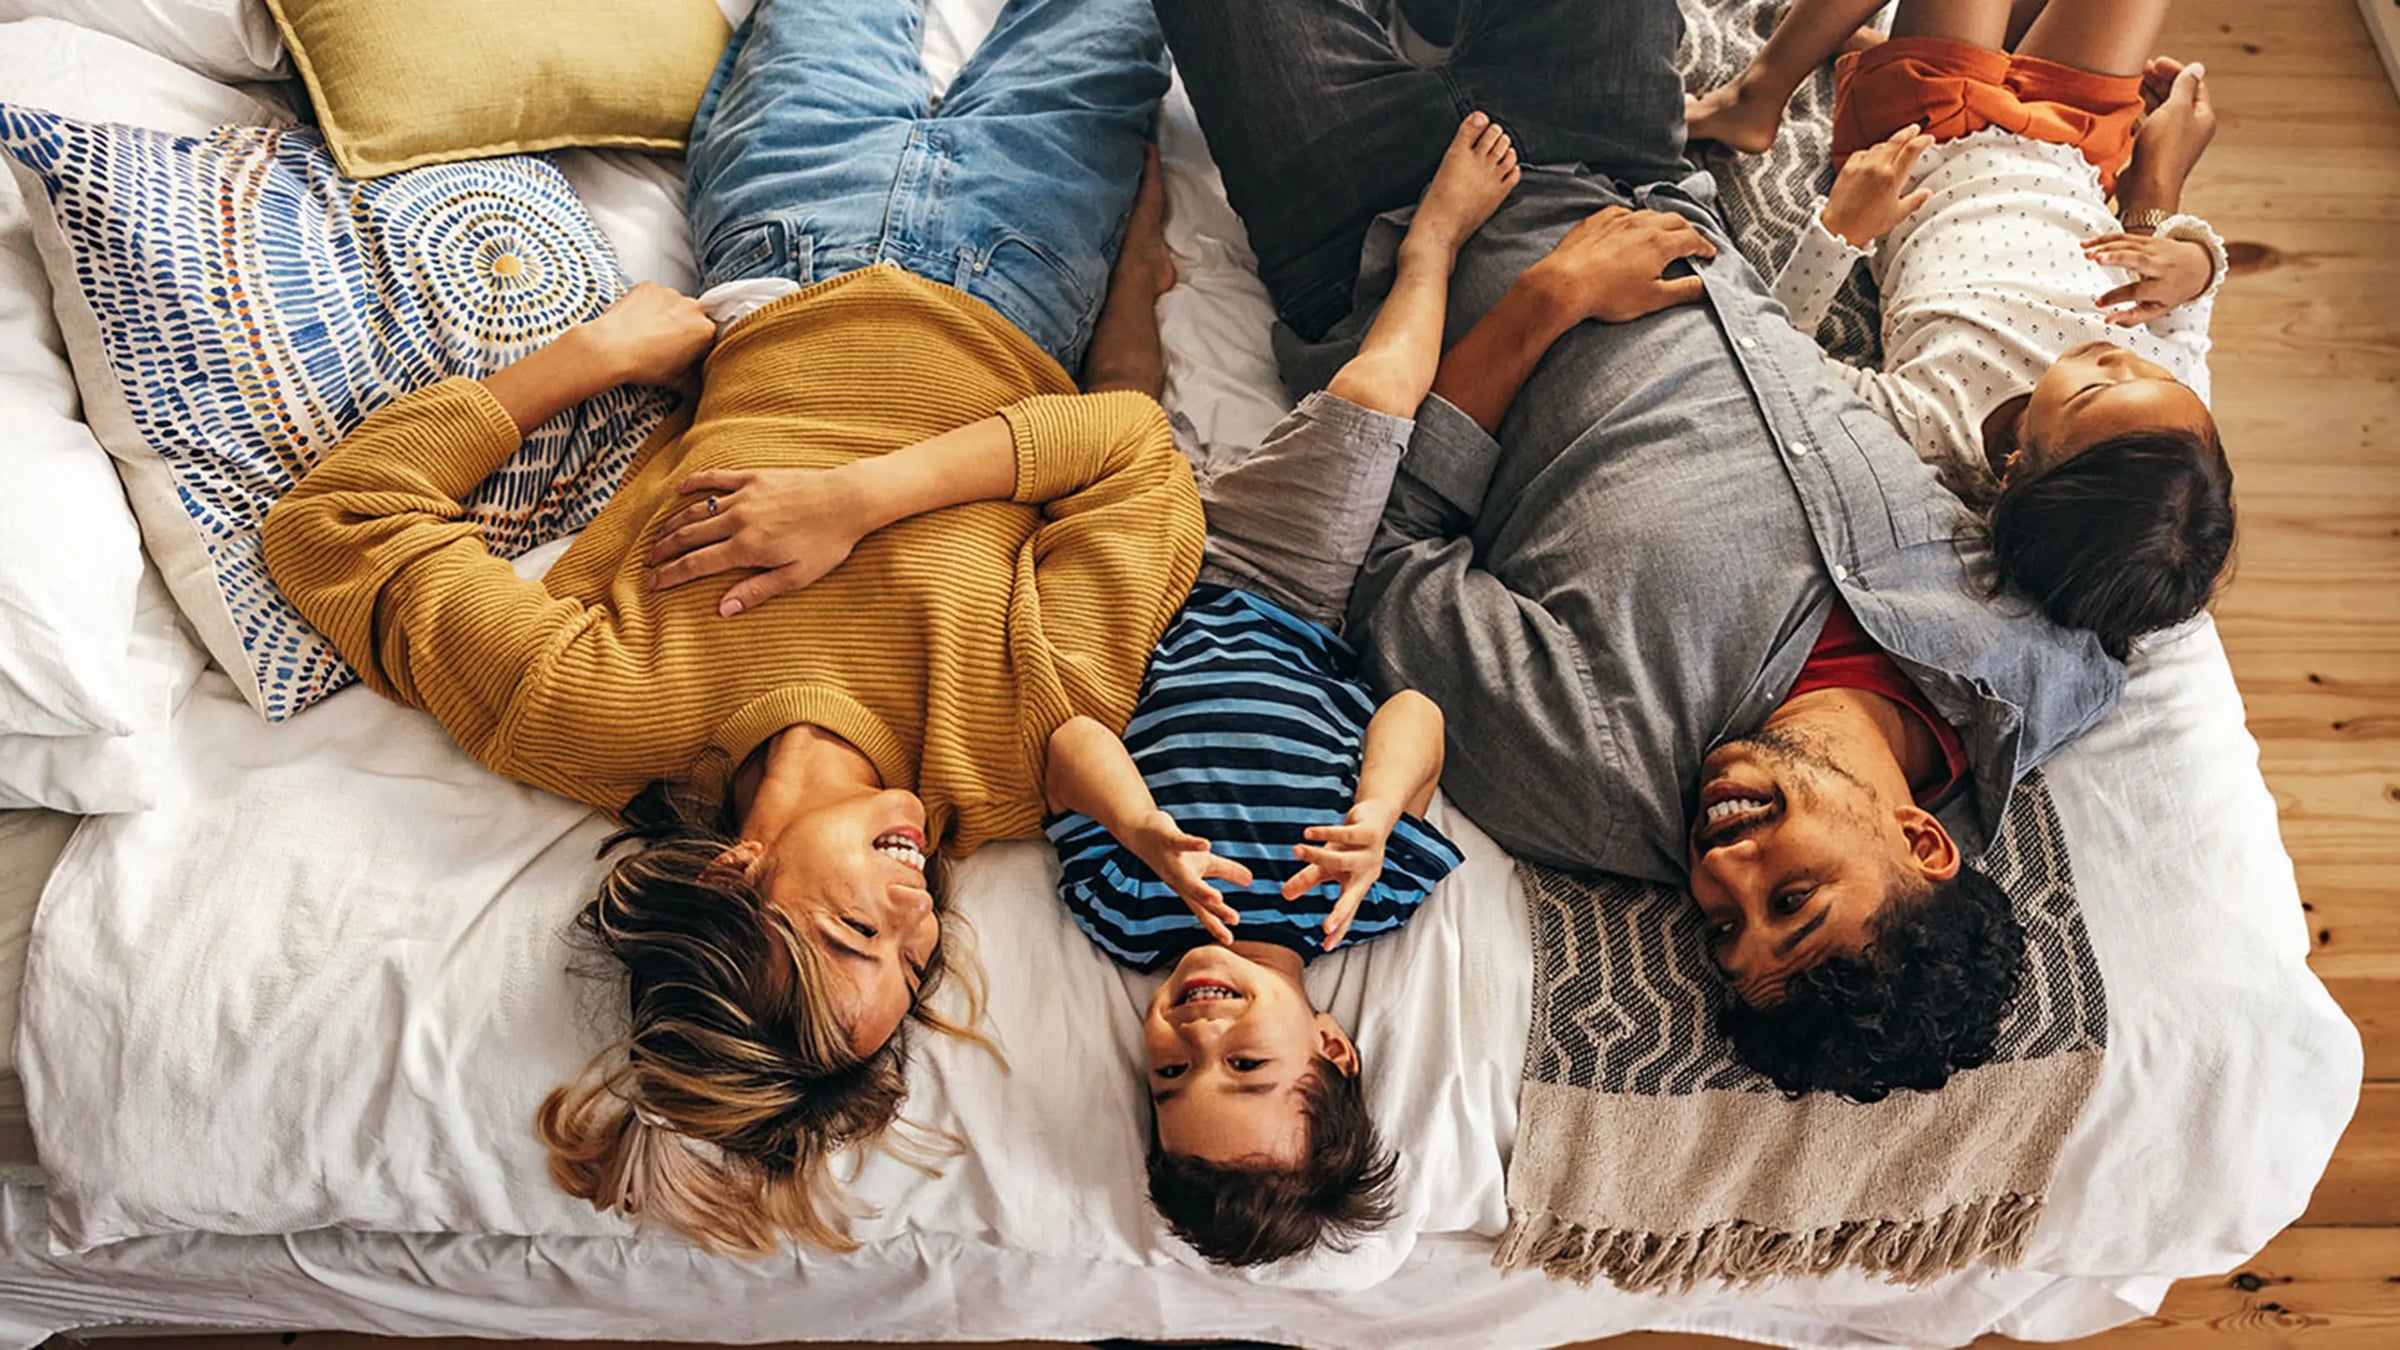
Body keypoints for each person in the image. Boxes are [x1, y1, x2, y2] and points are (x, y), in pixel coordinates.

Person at [261, 0, 1201, 1254]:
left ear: (733, 875)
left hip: (784, 233)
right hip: (1023, 269)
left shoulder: (595, 712)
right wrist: (861, 499)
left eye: (860, 931)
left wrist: (591, 356)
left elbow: (332, 530)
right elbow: (1136, 455)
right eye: (914, 964)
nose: (918, 915)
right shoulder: (1021, 755)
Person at [1151, 0, 2125, 1104]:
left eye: (1723, 929)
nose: (1723, 871)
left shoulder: (1592, 777)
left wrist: (1546, 302)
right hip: (1625, 159)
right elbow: (2141, 484)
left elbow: (1381, 542)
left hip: (1377, 233)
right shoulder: (2038, 663)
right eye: (1792, 898)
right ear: (1923, 842)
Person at [1046, 114, 1518, 1265]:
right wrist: (1378, 809)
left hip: (1136, 604)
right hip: (1282, 590)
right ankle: (1433, 245)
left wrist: (1138, 824)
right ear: (1333, 1045)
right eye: (1247, 1065)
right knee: (1377, 406)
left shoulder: (1127, 913)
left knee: (1117, 393)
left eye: (1171, 1074)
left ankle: (1140, 259)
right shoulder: (1363, 894)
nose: (1197, 1035)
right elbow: (1416, 716)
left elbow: (1066, 742)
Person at [1697, 0, 2234, 658]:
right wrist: (2194, 260)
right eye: (2152, 374)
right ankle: (1872, 44)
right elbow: (2189, 307)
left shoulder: (1933, 426)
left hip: (1934, 122)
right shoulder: (2175, 424)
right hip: (2081, 141)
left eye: (2097, 388)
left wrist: (1839, 233)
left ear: (2016, 467)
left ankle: (1761, 96)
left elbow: (1773, 356)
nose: (2115, 355)